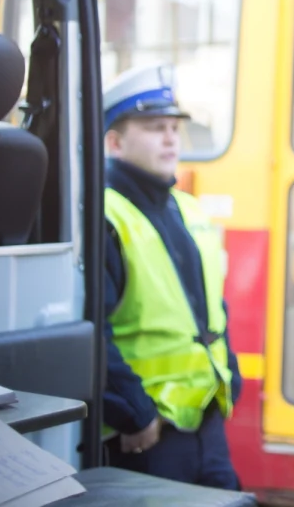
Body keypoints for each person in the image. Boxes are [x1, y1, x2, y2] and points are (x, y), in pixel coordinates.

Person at [101, 63, 243, 490]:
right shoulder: (105, 215)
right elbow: (94, 333)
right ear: (114, 142)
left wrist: (229, 375)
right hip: (148, 434)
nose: (170, 137)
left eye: (173, 127)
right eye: (153, 127)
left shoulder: (188, 209)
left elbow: (210, 308)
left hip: (205, 418)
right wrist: (135, 413)